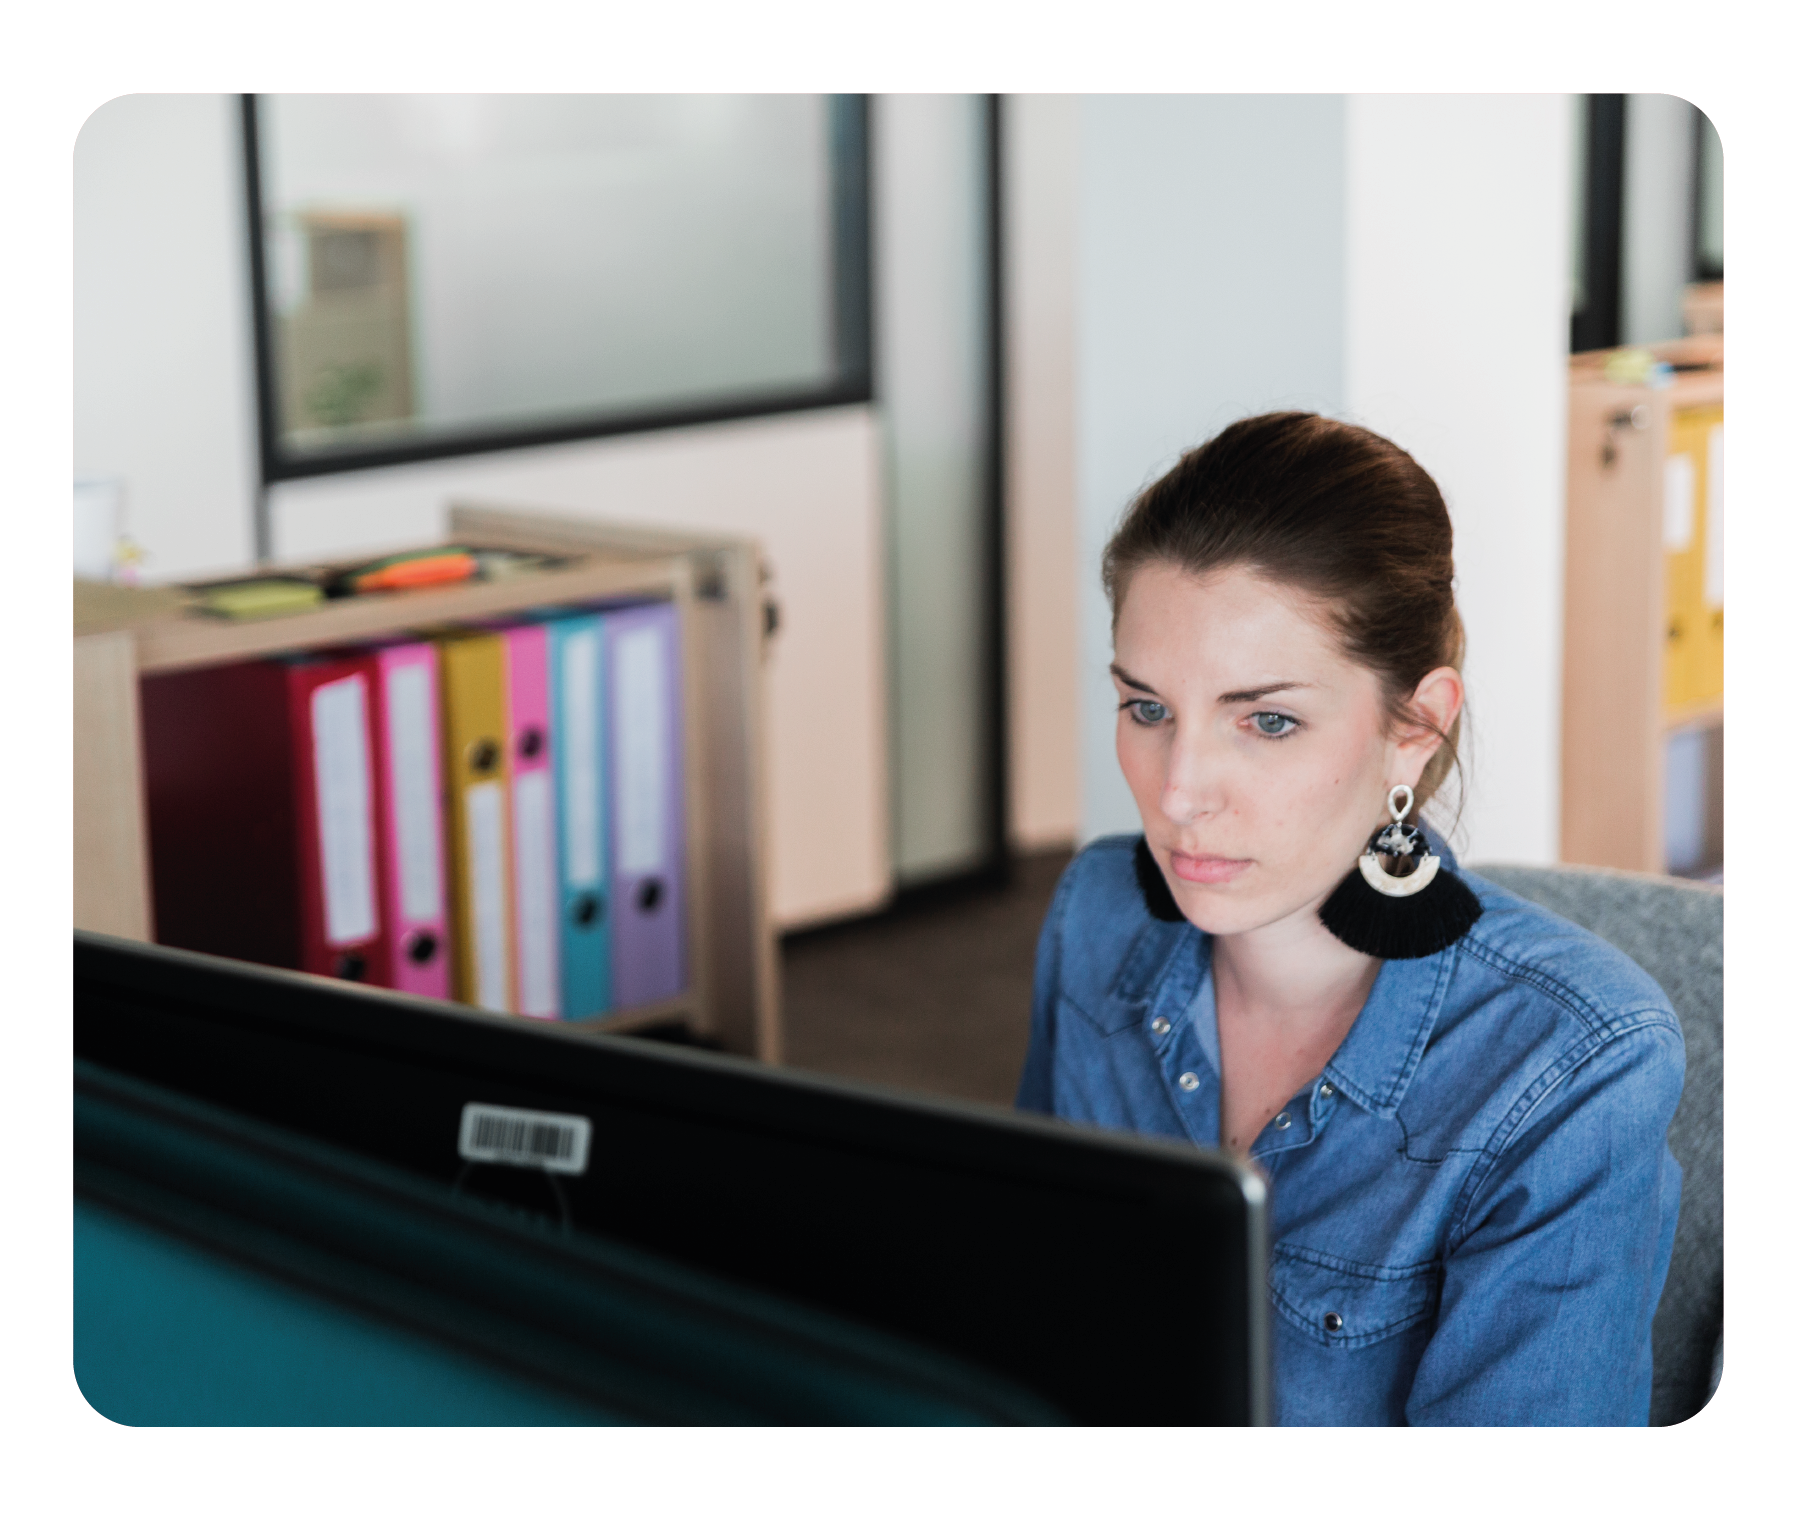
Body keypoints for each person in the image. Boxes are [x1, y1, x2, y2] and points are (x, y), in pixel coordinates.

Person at [1016, 412, 1684, 1426]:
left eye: (1268, 720)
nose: (1181, 790)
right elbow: (1021, 1310)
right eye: (1147, 708)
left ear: (1414, 730)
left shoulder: (1571, 1062)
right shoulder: (1099, 917)